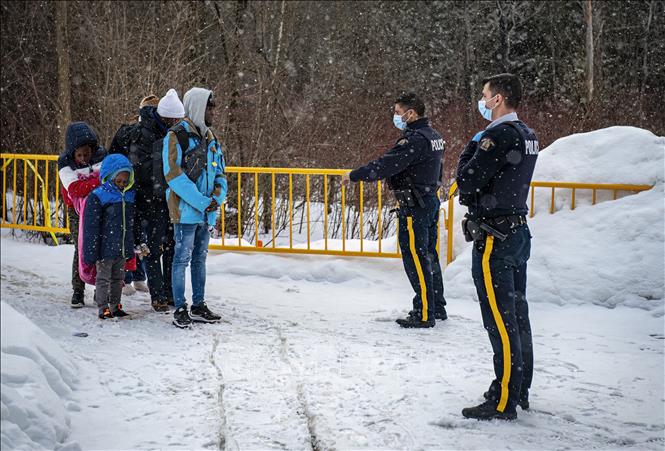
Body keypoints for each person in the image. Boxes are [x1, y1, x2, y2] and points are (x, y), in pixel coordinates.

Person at [456, 73, 539, 420]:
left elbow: (467, 179)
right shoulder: (527, 134)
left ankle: (503, 399)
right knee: (517, 316)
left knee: (501, 321)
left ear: (498, 99)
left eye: (485, 95)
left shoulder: (498, 134)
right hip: (516, 232)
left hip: (496, 237)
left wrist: (471, 149)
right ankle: (518, 389)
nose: (482, 100)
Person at [342, 92, 447, 328]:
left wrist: (354, 175)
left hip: (414, 206)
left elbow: (386, 164)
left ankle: (423, 312)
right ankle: (436, 305)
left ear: (411, 113)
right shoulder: (434, 136)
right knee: (429, 256)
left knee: (417, 258)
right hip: (429, 200)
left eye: (398, 112)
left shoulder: (415, 140)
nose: (396, 117)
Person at [111, 90, 184, 311]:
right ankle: (160, 295)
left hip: (164, 197)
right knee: (156, 247)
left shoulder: (156, 132)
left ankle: (166, 294)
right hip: (151, 199)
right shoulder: (139, 133)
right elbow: (116, 159)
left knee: (166, 246)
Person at [163, 87, 227, 328]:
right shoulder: (176, 135)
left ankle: (198, 305)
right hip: (187, 211)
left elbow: (220, 172)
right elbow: (173, 175)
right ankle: (180, 307)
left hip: (206, 212)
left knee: (199, 259)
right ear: (198, 106)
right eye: (209, 107)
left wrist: (217, 199)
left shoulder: (210, 138)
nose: (213, 112)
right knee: (181, 259)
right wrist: (203, 201)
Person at [82, 153, 138, 319]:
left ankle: (115, 305)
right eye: (118, 181)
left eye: (125, 182)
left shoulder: (128, 196)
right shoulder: (98, 196)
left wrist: (129, 247)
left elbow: (129, 225)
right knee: (103, 279)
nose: (122, 185)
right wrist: (91, 251)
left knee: (118, 279)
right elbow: (91, 227)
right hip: (104, 249)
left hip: (120, 249)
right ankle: (103, 307)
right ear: (109, 177)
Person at [57, 122, 106, 308]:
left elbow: (108, 178)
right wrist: (96, 182)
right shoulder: (65, 163)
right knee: (81, 247)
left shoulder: (101, 155)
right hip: (76, 210)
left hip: (99, 206)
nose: (84, 158)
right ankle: (78, 290)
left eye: (87, 154)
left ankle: (99, 288)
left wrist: (91, 183)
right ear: (72, 153)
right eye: (80, 155)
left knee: (100, 246)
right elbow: (75, 189)